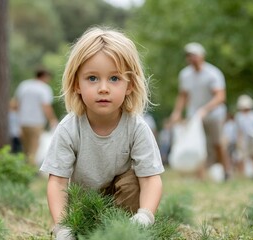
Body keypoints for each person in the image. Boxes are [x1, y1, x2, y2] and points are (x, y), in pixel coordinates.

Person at [40, 27, 164, 240]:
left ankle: (124, 230)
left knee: (135, 178)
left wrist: (145, 216)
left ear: (130, 85)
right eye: (92, 78)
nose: (103, 88)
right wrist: (62, 227)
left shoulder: (136, 127)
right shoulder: (69, 128)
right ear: (76, 84)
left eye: (114, 79)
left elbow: (151, 179)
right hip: (85, 206)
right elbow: (58, 182)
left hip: (125, 207)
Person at [169, 42, 231, 178]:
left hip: (214, 114)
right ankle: (201, 175)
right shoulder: (185, 75)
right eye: (189, 56)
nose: (191, 58)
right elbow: (183, 96)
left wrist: (205, 110)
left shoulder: (213, 73)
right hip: (195, 114)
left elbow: (220, 96)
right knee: (198, 143)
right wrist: (177, 112)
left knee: (218, 143)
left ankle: (226, 171)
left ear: (202, 56)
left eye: (194, 55)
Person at [15, 68, 58, 166]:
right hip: (36, 123)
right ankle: (30, 170)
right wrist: (52, 119)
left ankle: (24, 168)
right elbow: (46, 106)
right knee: (34, 148)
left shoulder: (24, 85)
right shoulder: (44, 88)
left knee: (26, 149)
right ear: (45, 76)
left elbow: (16, 103)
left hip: (23, 122)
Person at [234, 94, 253, 177]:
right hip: (244, 138)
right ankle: (242, 174)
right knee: (242, 156)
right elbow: (238, 130)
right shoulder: (239, 116)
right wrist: (239, 141)